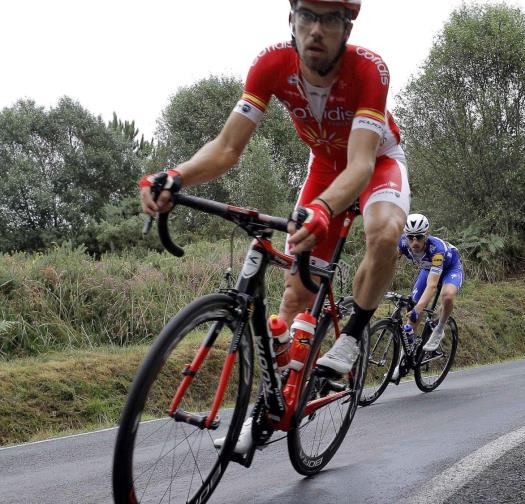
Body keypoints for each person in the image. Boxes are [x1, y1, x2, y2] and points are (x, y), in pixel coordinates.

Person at [139, 0, 409, 454]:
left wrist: (324, 208)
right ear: (291, 19)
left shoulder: (369, 70)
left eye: (330, 19)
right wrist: (177, 175)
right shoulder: (271, 65)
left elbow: (361, 164)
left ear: (347, 27)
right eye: (307, 15)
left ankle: (353, 334)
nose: (316, 30)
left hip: (376, 163)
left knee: (383, 232)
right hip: (324, 167)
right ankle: (276, 396)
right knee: (294, 294)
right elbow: (227, 148)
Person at [397, 213, 463, 353]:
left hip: (450, 268)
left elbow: (432, 285)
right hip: (429, 268)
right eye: (410, 237)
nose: (414, 242)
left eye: (419, 237)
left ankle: (439, 329)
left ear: (426, 235)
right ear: (405, 235)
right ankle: (403, 360)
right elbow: (387, 264)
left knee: (448, 296)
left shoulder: (436, 249)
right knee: (412, 314)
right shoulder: (402, 243)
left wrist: (418, 308)